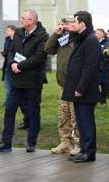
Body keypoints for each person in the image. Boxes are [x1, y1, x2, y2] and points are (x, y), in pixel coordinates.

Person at [0, 9, 49, 152]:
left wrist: (20, 65)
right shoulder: (18, 32)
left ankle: (31, 143)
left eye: (24, 18)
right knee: (10, 109)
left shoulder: (43, 35)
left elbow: (39, 58)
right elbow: (11, 50)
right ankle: (6, 144)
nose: (21, 20)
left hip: (33, 81)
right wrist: (12, 63)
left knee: (33, 112)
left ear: (32, 21)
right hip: (17, 79)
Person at [61, 11, 101, 163]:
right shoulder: (81, 38)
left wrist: (80, 88)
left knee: (86, 122)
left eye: (75, 22)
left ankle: (89, 152)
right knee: (81, 123)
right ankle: (84, 150)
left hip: (85, 90)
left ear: (83, 23)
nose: (73, 24)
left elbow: (90, 67)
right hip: (77, 89)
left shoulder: (91, 40)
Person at [44, 16, 80, 156]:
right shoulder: (62, 38)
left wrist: (72, 33)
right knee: (63, 115)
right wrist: (56, 34)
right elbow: (48, 49)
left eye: (68, 23)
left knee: (75, 116)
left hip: (75, 85)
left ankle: (79, 143)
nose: (64, 25)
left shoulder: (78, 38)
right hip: (63, 85)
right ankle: (66, 142)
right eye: (63, 23)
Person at [95, 28, 109, 107]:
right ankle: (97, 99)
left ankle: (103, 100)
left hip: (104, 67)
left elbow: (107, 55)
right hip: (95, 67)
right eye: (95, 33)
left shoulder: (107, 42)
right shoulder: (94, 42)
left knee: (104, 85)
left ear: (103, 34)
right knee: (95, 84)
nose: (96, 34)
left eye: (98, 33)